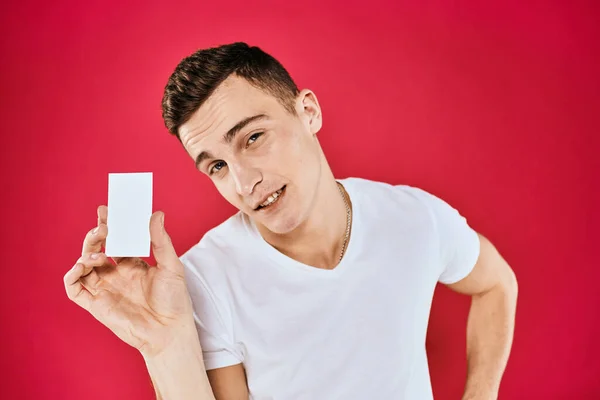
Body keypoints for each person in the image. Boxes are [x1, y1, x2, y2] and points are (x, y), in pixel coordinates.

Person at [63, 42, 518, 400]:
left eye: (253, 137)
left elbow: (497, 284)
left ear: (308, 112)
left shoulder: (415, 218)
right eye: (216, 166)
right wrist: (164, 346)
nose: (243, 182)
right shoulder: (202, 278)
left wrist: (482, 393)